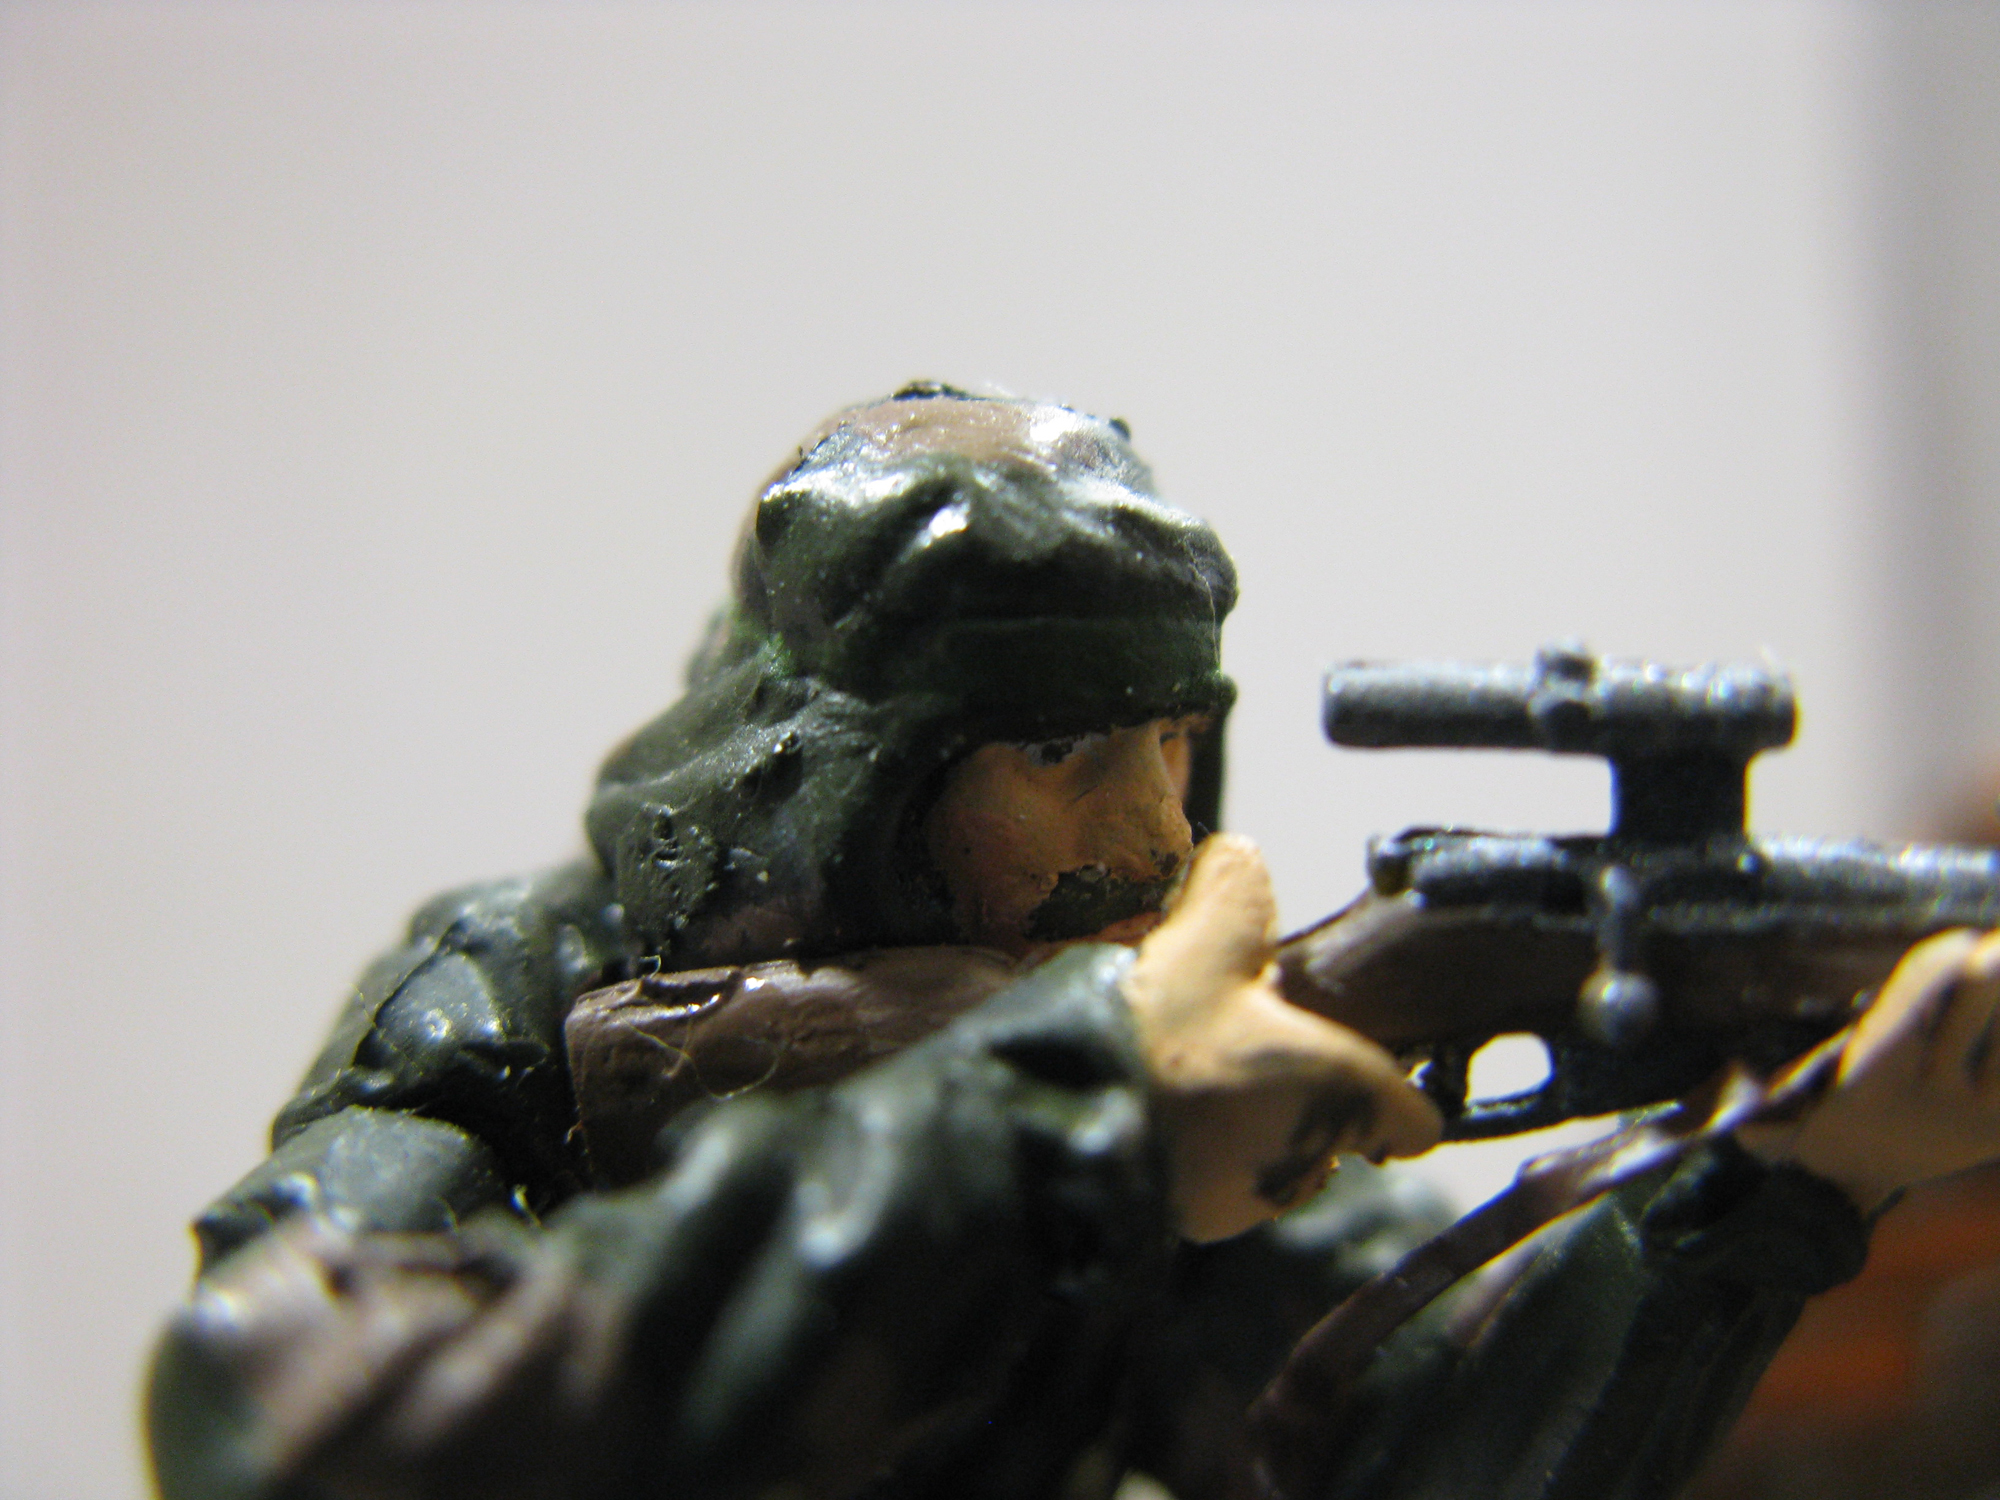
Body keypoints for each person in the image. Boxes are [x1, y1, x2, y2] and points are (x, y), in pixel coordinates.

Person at [146, 385, 2000, 1500]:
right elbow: (280, 1416)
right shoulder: (517, 995)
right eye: (1057, 758)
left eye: (1173, 745)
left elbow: (1384, 1450)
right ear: (861, 780)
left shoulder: (1135, 1049)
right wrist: (1050, 1123)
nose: (1152, 839)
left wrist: (1787, 1187)